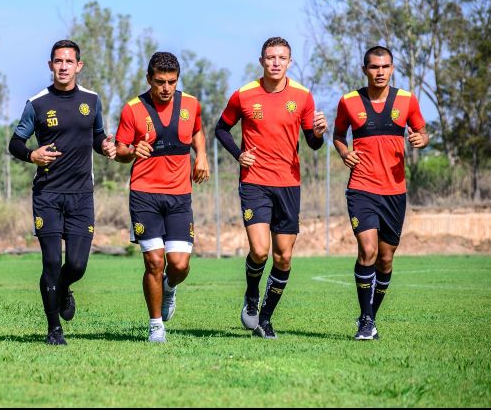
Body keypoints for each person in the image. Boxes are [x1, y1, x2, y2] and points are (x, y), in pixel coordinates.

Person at [215, 37, 327, 339]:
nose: (275, 62)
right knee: (260, 250)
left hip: (289, 184)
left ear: (289, 62)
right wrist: (239, 154)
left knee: (284, 257)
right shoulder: (244, 95)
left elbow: (313, 144)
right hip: (254, 181)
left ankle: (265, 319)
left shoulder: (303, 96)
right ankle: (252, 295)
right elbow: (221, 128)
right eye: (270, 57)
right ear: (261, 60)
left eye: (282, 58)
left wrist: (318, 133)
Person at [8, 39, 116, 345]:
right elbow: (15, 143)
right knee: (51, 262)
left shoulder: (92, 101)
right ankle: (54, 329)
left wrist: (105, 144)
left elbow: (97, 136)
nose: (64, 67)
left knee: (77, 265)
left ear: (79, 66)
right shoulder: (37, 103)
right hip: (48, 194)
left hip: (82, 194)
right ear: (50, 66)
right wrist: (32, 154)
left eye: (69, 62)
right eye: (58, 61)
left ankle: (64, 287)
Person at [333, 45, 428, 340]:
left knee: (385, 259)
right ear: (365, 70)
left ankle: (370, 317)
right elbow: (337, 135)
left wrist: (420, 139)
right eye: (374, 67)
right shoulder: (349, 101)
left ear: (393, 68)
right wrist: (344, 151)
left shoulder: (407, 100)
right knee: (368, 251)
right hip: (361, 188)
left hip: (395, 192)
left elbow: (422, 132)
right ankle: (365, 320)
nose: (380, 72)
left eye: (385, 66)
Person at [114, 52, 209, 343]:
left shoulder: (190, 104)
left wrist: (201, 156)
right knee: (154, 261)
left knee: (179, 265)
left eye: (171, 81)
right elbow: (118, 151)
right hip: (145, 196)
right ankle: (156, 325)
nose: (166, 88)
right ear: (149, 79)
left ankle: (169, 287)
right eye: (159, 82)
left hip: (180, 196)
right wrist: (132, 151)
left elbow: (197, 132)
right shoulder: (132, 109)